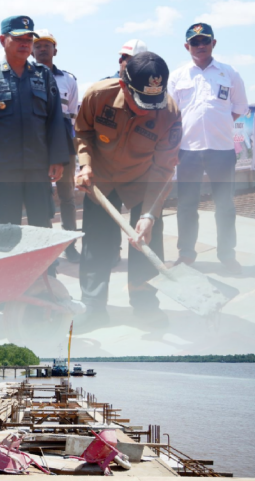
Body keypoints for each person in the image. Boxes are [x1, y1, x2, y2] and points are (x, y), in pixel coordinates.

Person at [75, 52, 182, 330]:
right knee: (95, 246)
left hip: (142, 181)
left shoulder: (169, 112)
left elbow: (164, 168)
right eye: (142, 101)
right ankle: (93, 306)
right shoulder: (99, 95)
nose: (149, 110)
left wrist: (149, 214)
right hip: (100, 180)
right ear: (124, 85)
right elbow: (83, 132)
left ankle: (146, 306)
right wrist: (85, 165)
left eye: (154, 102)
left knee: (146, 244)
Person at [0, 15, 69, 231]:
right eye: (18, 38)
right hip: (2, 170)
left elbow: (55, 120)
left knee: (42, 227)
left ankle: (45, 266)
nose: (25, 44)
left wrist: (57, 158)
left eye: (29, 39)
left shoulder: (44, 76)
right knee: (5, 229)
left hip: (38, 168)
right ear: (3, 40)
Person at [168, 23, 248, 274]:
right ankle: (187, 254)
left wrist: (218, 125)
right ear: (186, 46)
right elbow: (172, 114)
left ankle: (227, 255)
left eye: (205, 41)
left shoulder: (229, 73)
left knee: (225, 205)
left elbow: (239, 108)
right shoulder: (177, 76)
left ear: (214, 43)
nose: (200, 45)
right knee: (187, 204)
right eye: (194, 42)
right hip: (188, 151)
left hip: (221, 149)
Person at [33, 29, 80, 263]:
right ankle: (46, 249)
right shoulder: (26, 76)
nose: (42, 49)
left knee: (67, 197)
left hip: (63, 142)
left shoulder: (68, 79)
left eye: (47, 45)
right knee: (40, 197)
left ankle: (71, 246)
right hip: (37, 142)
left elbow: (72, 115)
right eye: (38, 45)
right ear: (32, 50)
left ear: (55, 50)